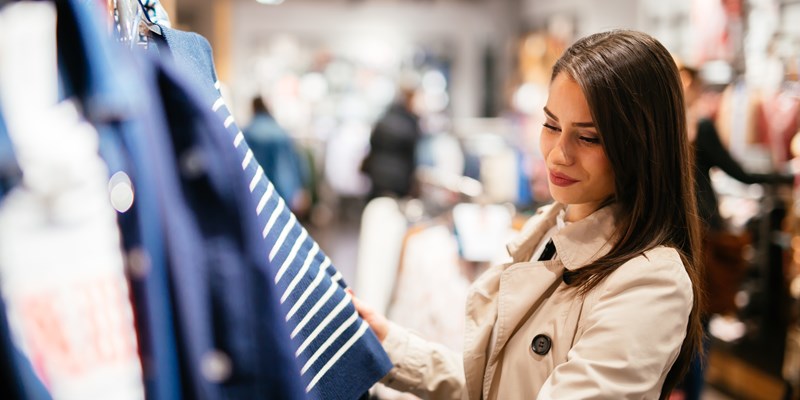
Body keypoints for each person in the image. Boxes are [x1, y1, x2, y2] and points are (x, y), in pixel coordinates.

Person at [351, 30, 704, 399]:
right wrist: (390, 344)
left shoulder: (649, 282)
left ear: (641, 143)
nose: (558, 154)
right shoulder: (547, 232)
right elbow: (496, 385)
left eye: (588, 138)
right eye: (551, 125)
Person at [676, 65, 794, 400]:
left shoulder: (675, 127)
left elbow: (736, 171)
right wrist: (783, 178)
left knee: (688, 320)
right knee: (696, 321)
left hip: (684, 234)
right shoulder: (694, 127)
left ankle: (686, 391)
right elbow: (737, 171)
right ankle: (690, 392)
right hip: (697, 236)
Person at [243, 96, 310, 216]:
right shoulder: (280, 131)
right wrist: (299, 188)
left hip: (257, 193)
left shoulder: (248, 132)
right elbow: (293, 163)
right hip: (281, 191)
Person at [360, 85, 422, 200]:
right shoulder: (410, 123)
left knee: (376, 204)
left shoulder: (384, 118)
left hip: (377, 173)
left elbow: (372, 143)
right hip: (399, 178)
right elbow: (412, 155)